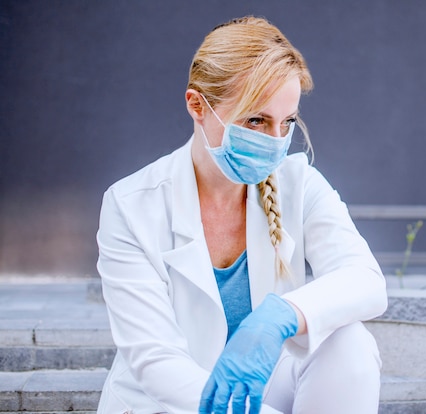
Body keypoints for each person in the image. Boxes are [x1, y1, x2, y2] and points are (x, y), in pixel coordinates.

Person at [96, 16, 387, 414]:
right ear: (197, 105)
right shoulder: (131, 204)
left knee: (349, 343)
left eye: (286, 123)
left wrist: (279, 316)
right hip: (170, 404)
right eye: (255, 120)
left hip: (263, 390)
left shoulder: (298, 183)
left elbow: (366, 281)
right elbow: (156, 362)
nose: (275, 142)